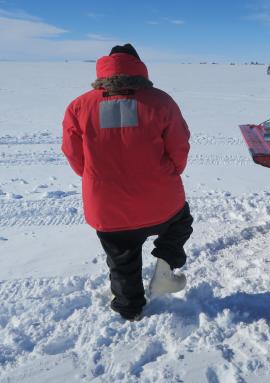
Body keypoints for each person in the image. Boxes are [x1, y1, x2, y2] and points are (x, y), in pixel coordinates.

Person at [62, 44, 193, 321]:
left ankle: (129, 306)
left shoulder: (79, 106)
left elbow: (74, 155)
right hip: (160, 202)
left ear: (104, 68)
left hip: (107, 207)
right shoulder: (161, 101)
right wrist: (171, 172)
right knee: (180, 222)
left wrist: (96, 179)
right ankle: (165, 271)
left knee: (122, 258)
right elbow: (179, 147)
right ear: (138, 66)